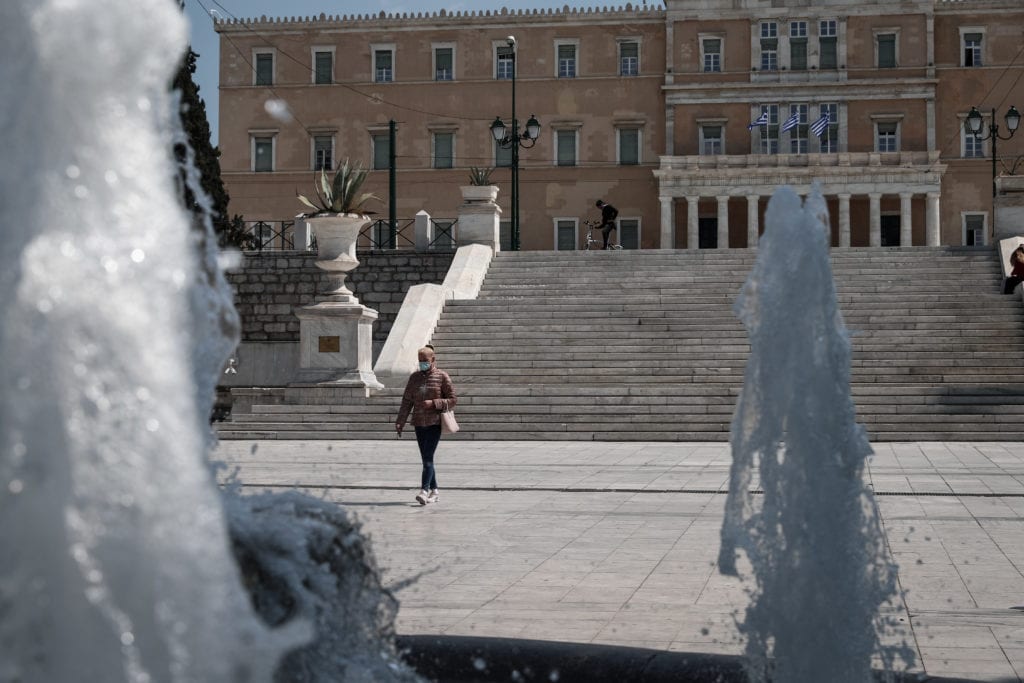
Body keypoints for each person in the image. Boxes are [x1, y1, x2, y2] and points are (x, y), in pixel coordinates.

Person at [395, 346, 457, 505]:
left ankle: (424, 490)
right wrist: (401, 420)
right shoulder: (414, 378)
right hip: (418, 422)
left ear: (433, 360)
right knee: (426, 458)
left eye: (425, 361)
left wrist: (434, 403)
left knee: (428, 457)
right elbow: (407, 401)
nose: (422, 363)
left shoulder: (442, 376)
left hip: (434, 423)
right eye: (420, 361)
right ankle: (435, 491)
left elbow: (452, 400)